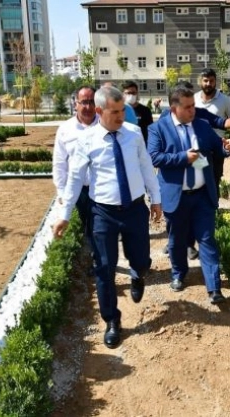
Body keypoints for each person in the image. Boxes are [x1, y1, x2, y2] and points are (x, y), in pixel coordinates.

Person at [53, 86, 162, 348]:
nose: (121, 116)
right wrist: (64, 215)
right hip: (103, 212)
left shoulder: (134, 133)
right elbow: (75, 178)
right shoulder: (86, 141)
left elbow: (146, 165)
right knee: (104, 269)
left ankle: (137, 273)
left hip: (135, 209)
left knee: (141, 259)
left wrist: (156, 199)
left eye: (122, 110)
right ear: (100, 111)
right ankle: (112, 320)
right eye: (115, 112)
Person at [147, 83, 230, 304]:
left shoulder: (202, 125)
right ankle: (178, 274)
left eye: (193, 106)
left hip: (202, 195)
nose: (192, 110)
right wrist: (183, 158)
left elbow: (218, 148)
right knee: (177, 240)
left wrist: (227, 148)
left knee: (207, 239)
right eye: (187, 107)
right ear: (174, 108)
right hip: (176, 196)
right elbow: (154, 157)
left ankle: (214, 288)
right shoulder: (158, 129)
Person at [52, 86, 99, 247]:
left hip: (102, 188)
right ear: (76, 104)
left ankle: (101, 256)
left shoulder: (105, 125)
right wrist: (61, 190)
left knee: (102, 228)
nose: (88, 106)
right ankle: (94, 254)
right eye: (84, 102)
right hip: (79, 191)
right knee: (87, 227)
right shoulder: (66, 129)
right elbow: (59, 162)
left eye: (92, 102)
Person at [194, 68, 230, 196]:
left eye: (211, 81)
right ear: (200, 82)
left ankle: (214, 206)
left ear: (215, 82)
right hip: (198, 149)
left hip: (216, 150)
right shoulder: (194, 99)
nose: (208, 84)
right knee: (198, 178)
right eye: (205, 80)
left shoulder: (224, 100)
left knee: (213, 180)